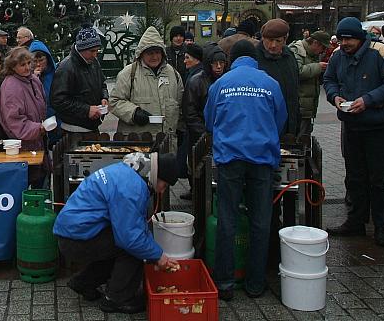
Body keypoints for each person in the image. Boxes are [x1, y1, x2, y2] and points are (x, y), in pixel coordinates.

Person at [204, 39, 287, 300]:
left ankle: (225, 283)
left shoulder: (221, 84)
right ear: (255, 59)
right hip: (262, 159)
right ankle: (255, 283)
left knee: (227, 218)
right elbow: (280, 120)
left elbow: (209, 120)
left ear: (232, 59)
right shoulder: (270, 84)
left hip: (230, 158)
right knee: (261, 221)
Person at [53, 152, 180, 314]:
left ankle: (84, 282)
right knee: (132, 248)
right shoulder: (132, 187)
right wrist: (157, 256)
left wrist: (154, 251)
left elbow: (135, 223)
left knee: (123, 243)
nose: (162, 191)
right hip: (75, 239)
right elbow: (131, 238)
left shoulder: (128, 172)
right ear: (157, 175)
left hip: (72, 233)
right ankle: (116, 299)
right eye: (165, 184)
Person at [323, 17, 384, 247]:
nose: (344, 43)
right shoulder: (338, 55)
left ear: (360, 37)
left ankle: (380, 227)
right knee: (354, 176)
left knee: (377, 178)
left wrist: (367, 100)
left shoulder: (380, 51)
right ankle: (355, 221)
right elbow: (329, 80)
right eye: (342, 38)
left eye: (349, 38)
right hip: (351, 125)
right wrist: (334, 96)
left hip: (376, 126)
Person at [110, 26, 183, 139]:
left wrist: (179, 130)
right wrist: (133, 113)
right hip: (138, 142)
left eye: (157, 52)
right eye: (150, 53)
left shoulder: (173, 74)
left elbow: (180, 105)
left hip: (166, 143)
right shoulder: (129, 73)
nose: (154, 57)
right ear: (141, 53)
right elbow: (114, 102)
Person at [181, 44, 227, 199]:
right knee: (199, 171)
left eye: (222, 63)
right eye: (215, 63)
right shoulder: (196, 81)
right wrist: (204, 133)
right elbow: (190, 112)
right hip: (200, 136)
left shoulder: (228, 80)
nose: (219, 67)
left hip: (223, 136)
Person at [51, 25, 109, 141]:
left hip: (91, 129)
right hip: (73, 133)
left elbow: (102, 84)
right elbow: (58, 101)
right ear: (81, 48)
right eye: (92, 51)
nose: (95, 54)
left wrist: (104, 97)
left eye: (97, 50)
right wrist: (86, 110)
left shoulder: (93, 62)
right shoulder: (66, 68)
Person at [255, 18, 300, 136]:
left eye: (278, 41)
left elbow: (294, 91)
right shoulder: (255, 58)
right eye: (269, 40)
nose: (273, 45)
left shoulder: (289, 56)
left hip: (289, 125)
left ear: (285, 39)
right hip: (264, 126)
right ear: (263, 38)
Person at [0, 47, 47, 150]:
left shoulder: (33, 79)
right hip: (22, 146)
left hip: (38, 142)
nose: (28, 67)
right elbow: (14, 121)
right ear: (13, 67)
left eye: (29, 63)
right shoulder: (11, 86)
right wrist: (38, 128)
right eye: (22, 65)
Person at [288, 30, 330, 136]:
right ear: (315, 43)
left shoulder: (311, 54)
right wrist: (318, 67)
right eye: (323, 48)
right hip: (298, 107)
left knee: (305, 137)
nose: (323, 51)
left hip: (307, 108)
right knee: (298, 138)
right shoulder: (297, 50)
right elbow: (297, 72)